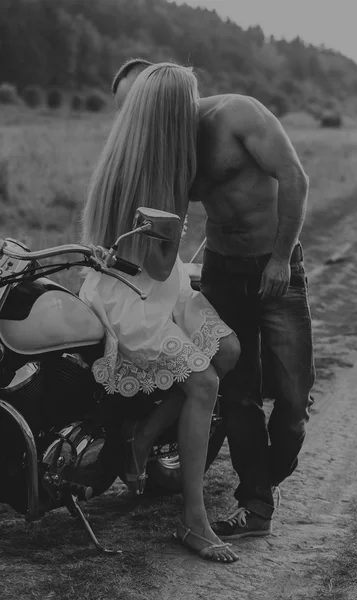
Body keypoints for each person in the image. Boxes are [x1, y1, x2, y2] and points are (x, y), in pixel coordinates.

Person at [112, 59, 315, 541]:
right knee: (239, 394)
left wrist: (281, 259)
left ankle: (264, 481)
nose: (135, 118)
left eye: (137, 104)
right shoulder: (171, 149)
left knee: (291, 401)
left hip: (277, 268)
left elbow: (295, 180)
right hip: (223, 271)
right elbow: (168, 231)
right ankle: (256, 505)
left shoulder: (237, 115)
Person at [80, 63, 241, 563]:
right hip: (129, 296)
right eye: (189, 105)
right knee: (205, 383)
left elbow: (159, 267)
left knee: (228, 351)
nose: (196, 113)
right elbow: (155, 260)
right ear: (173, 116)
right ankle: (194, 521)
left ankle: (143, 435)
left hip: (159, 286)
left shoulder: (151, 158)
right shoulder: (156, 173)